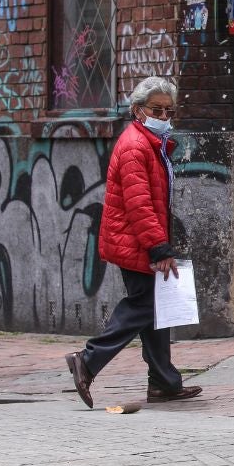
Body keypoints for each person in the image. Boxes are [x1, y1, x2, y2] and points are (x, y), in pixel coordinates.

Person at [65, 76, 202, 408]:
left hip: (139, 239)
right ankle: (88, 359)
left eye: (170, 111)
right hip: (136, 243)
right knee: (143, 306)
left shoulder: (150, 143)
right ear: (139, 110)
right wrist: (158, 247)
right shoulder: (135, 146)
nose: (165, 117)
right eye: (157, 110)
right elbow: (138, 204)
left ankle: (164, 383)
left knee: (155, 312)